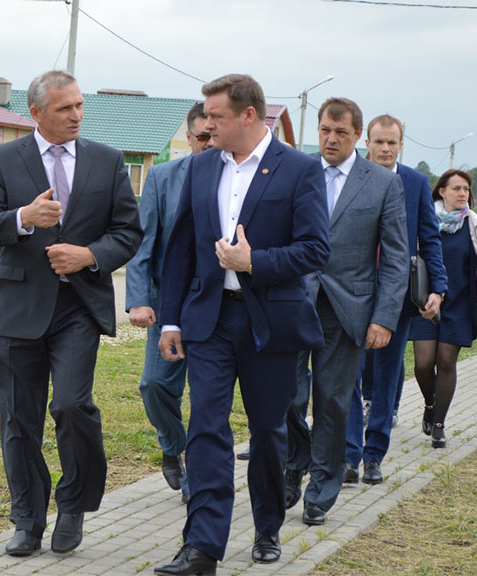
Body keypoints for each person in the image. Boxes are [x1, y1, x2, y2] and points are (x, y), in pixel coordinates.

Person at [154, 74, 329, 575]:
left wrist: (255, 262)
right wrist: (170, 321)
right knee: (206, 428)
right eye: (206, 116)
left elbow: (315, 249)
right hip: (209, 320)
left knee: (269, 431)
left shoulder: (299, 169)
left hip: (270, 322)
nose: (206, 126)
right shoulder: (201, 166)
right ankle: (202, 547)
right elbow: (180, 250)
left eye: (216, 116)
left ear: (249, 115)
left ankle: (268, 525)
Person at [0, 70, 142, 557]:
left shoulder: (107, 161)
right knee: (19, 421)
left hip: (78, 307)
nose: (76, 115)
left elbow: (129, 231)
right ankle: (27, 519)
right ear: (37, 113)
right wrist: (23, 218)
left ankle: (73, 505)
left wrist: (89, 255)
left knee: (71, 405)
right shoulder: (4, 159)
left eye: (80, 105)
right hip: (18, 307)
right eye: (65, 108)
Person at [285, 97, 408, 525]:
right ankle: (294, 462)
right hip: (293, 303)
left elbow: (396, 257)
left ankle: (322, 486)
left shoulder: (382, 184)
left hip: (348, 309)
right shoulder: (297, 171)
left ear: (358, 135)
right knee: (287, 396)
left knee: (333, 403)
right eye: (325, 130)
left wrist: (384, 317)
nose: (331, 139)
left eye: (340, 132)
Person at [343, 114, 448, 483]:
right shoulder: (350, 177)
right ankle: (348, 455)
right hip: (351, 293)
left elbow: (430, 238)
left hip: (397, 295)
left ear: (401, 145)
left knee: (387, 376)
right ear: (366, 143)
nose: (385, 148)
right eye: (379, 141)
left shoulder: (415, 183)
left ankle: (374, 455)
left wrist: (437, 288)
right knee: (349, 375)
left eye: (392, 142)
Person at [125, 102, 210, 503]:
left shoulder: (240, 179)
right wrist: (139, 300)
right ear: (188, 138)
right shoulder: (163, 177)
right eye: (202, 137)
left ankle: (197, 475)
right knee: (154, 384)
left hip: (217, 305)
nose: (209, 144)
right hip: (168, 302)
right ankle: (173, 444)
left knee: (208, 395)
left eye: (215, 136)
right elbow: (144, 244)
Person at [408, 170, 477, 448]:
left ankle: (439, 425)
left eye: (466, 189)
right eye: (457, 188)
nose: (463, 194)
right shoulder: (425, 220)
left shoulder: (476, 225)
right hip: (426, 302)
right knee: (423, 364)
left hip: (460, 303)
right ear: (442, 191)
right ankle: (430, 404)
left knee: (447, 361)